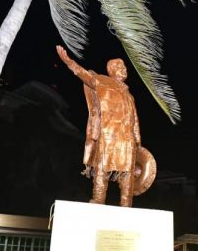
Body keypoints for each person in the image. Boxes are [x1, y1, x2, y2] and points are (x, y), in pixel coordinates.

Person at [57, 45, 141, 207]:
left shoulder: (129, 95)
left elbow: (135, 119)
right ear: (111, 70)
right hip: (108, 133)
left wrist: (138, 141)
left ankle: (126, 203)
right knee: (102, 167)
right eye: (120, 66)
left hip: (127, 138)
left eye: (124, 66)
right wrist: (68, 61)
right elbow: (83, 74)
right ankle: (98, 199)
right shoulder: (102, 81)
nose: (124, 69)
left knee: (127, 171)